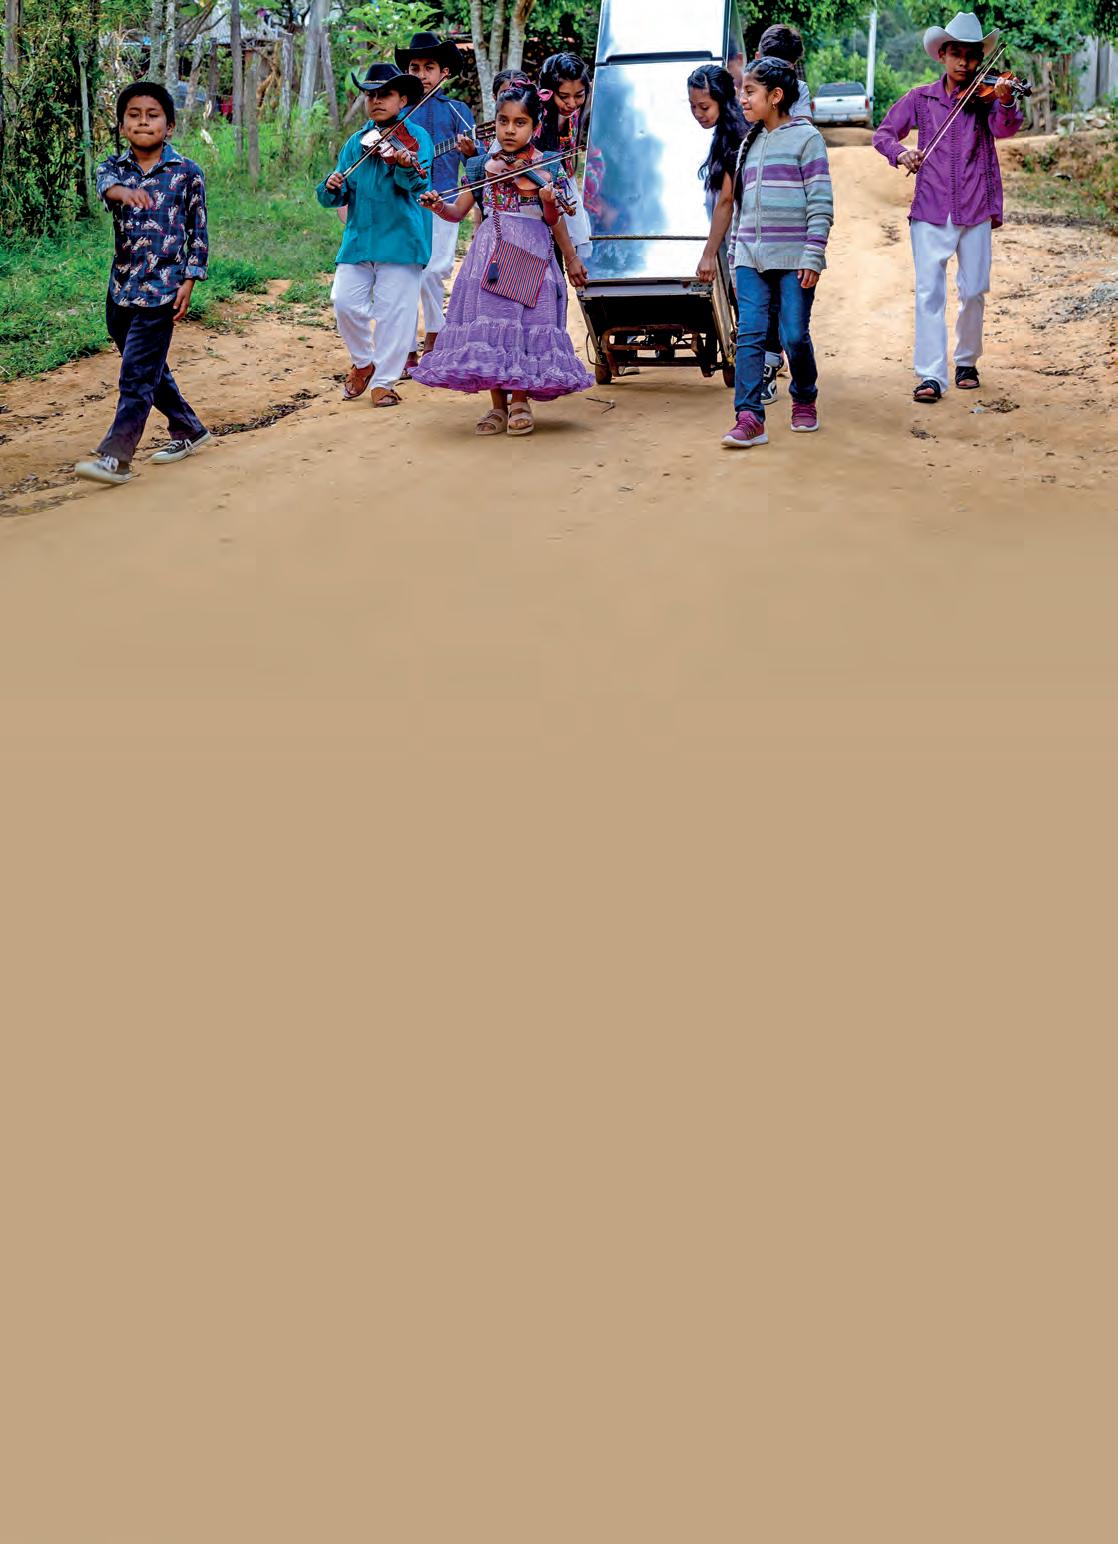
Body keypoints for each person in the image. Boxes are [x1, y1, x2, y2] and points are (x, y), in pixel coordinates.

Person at [412, 82, 593, 438]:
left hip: (532, 253)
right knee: (492, 323)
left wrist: (569, 253)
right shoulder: (481, 165)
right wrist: (437, 206)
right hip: (491, 253)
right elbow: (456, 212)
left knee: (525, 325)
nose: (510, 130)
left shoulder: (548, 167)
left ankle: (521, 400)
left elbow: (554, 221)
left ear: (535, 127)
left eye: (520, 123)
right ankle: (497, 405)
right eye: (503, 121)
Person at [873, 10, 1023, 402]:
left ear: (980, 59)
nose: (965, 64)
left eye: (972, 57)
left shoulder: (986, 98)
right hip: (930, 207)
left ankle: (967, 360)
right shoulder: (920, 98)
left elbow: (1005, 128)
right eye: (957, 54)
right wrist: (901, 153)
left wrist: (1005, 100)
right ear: (942, 54)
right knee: (929, 293)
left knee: (973, 290)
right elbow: (884, 134)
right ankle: (930, 375)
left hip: (975, 205)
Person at [74, 82, 209, 486]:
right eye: (134, 115)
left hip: (163, 290)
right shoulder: (113, 168)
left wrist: (189, 280)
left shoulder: (187, 173)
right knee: (148, 367)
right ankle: (188, 427)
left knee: (135, 375)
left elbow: (198, 232)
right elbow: (105, 185)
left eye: (153, 115)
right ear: (122, 125)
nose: (143, 122)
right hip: (121, 288)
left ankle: (117, 457)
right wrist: (123, 192)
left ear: (169, 125)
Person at [697, 56, 833, 447]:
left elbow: (821, 203)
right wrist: (735, 257)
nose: (742, 98)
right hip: (750, 261)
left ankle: (804, 396)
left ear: (775, 96)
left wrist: (812, 255)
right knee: (751, 336)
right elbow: (740, 207)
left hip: (794, 260)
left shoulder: (807, 139)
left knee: (793, 335)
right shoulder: (748, 144)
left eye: (750, 91)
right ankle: (749, 417)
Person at [316, 63, 433, 409]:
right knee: (344, 302)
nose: (376, 100)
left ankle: (384, 383)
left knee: (394, 313)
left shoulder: (416, 139)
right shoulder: (356, 143)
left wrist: (403, 165)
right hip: (359, 239)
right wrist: (331, 186)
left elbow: (419, 185)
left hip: (400, 240)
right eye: (371, 95)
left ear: (402, 100)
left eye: (385, 94)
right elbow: (336, 193)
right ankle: (364, 362)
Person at [394, 31, 477, 370]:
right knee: (405, 274)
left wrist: (470, 152)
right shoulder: (397, 110)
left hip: (444, 203)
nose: (421, 75)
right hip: (402, 204)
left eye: (429, 68)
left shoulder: (457, 111)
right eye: (415, 68)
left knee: (432, 272)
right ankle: (405, 345)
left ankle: (435, 334)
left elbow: (477, 163)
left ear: (445, 72)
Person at [536, 53, 593, 261]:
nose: (572, 103)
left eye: (579, 95)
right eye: (564, 96)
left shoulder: (575, 112)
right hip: (537, 198)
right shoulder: (536, 117)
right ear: (548, 92)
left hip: (564, 189)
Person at [688, 64, 747, 219]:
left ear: (723, 102)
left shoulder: (735, 140)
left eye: (704, 107)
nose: (697, 113)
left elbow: (726, 202)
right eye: (692, 105)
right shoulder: (724, 131)